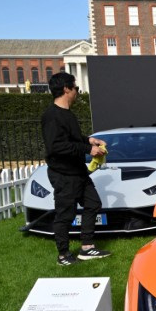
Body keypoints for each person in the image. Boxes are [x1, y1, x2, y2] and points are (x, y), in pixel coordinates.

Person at [41, 72, 111, 265]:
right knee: (65, 215)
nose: (77, 91)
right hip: (63, 174)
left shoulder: (68, 114)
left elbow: (73, 139)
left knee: (93, 203)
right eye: (75, 88)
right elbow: (57, 146)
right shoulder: (51, 116)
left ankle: (87, 247)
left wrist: (90, 139)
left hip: (78, 171)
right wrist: (89, 149)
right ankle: (63, 255)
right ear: (66, 89)